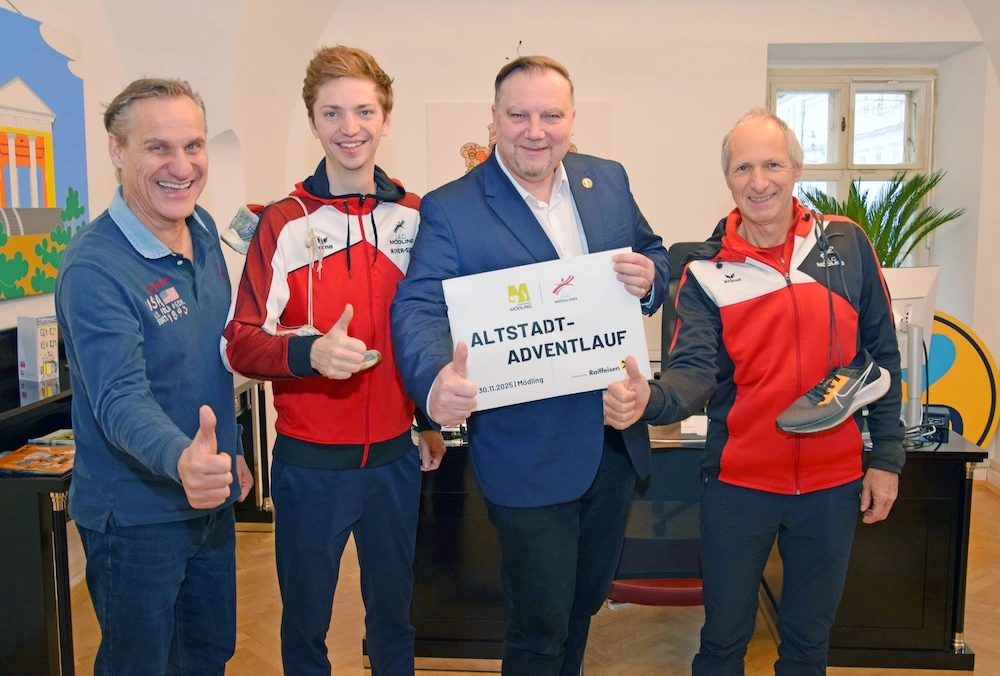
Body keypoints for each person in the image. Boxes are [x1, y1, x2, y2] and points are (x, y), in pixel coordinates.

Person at [390, 55, 669, 676]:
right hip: (526, 453)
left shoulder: (609, 180)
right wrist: (434, 378)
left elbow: (651, 252)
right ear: (493, 121)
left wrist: (651, 279)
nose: (534, 130)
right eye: (518, 115)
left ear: (572, 120)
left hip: (614, 445)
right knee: (538, 627)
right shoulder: (452, 207)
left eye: (550, 115)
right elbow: (418, 305)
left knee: (582, 608)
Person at [604, 108, 905, 675]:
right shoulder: (703, 272)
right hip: (739, 487)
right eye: (743, 167)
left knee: (807, 644)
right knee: (721, 642)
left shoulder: (846, 243)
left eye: (772, 164)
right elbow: (693, 374)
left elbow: (881, 357)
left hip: (832, 485)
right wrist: (651, 401)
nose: (759, 180)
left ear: (795, 169)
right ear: (728, 179)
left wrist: (886, 457)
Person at [222, 45, 444, 676]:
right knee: (304, 626)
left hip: (396, 459)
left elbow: (425, 329)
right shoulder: (284, 223)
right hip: (308, 465)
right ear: (313, 122)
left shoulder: (418, 216)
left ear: (386, 117)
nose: (351, 126)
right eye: (333, 113)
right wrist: (307, 351)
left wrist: (426, 418)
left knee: (396, 620)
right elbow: (239, 339)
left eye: (364, 110)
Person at [55, 78, 251, 676]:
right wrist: (182, 460)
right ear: (117, 151)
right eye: (157, 148)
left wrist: (231, 454)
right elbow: (119, 399)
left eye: (193, 146)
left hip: (209, 503)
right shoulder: (95, 268)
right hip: (134, 521)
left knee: (207, 654)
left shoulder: (203, 230)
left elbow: (205, 360)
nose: (181, 166)